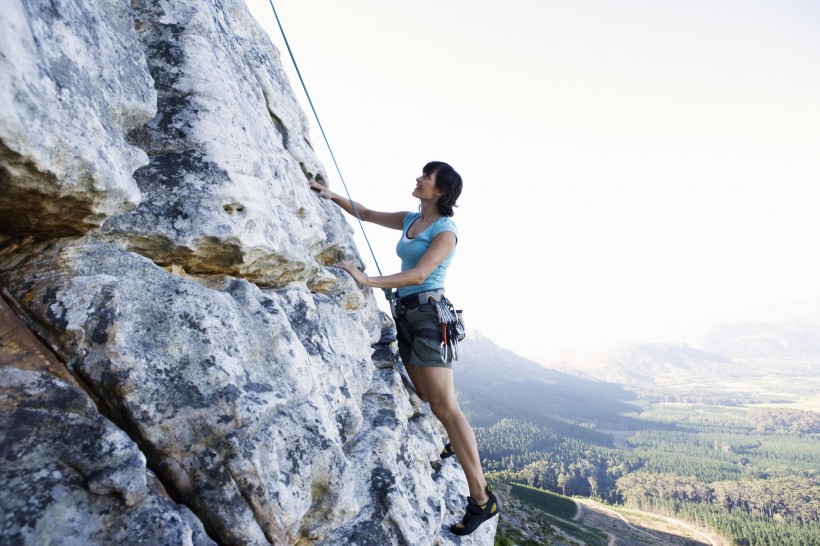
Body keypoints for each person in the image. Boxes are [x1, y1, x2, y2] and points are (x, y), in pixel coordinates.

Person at [309, 161, 499, 536]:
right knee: (429, 397)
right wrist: (332, 195)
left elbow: (418, 274)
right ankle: (453, 445)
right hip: (408, 316)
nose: (418, 178)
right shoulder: (412, 219)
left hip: (430, 318)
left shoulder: (446, 231)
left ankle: (481, 498)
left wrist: (366, 280)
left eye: (426, 177)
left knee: (446, 406)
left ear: (441, 190)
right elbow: (366, 213)